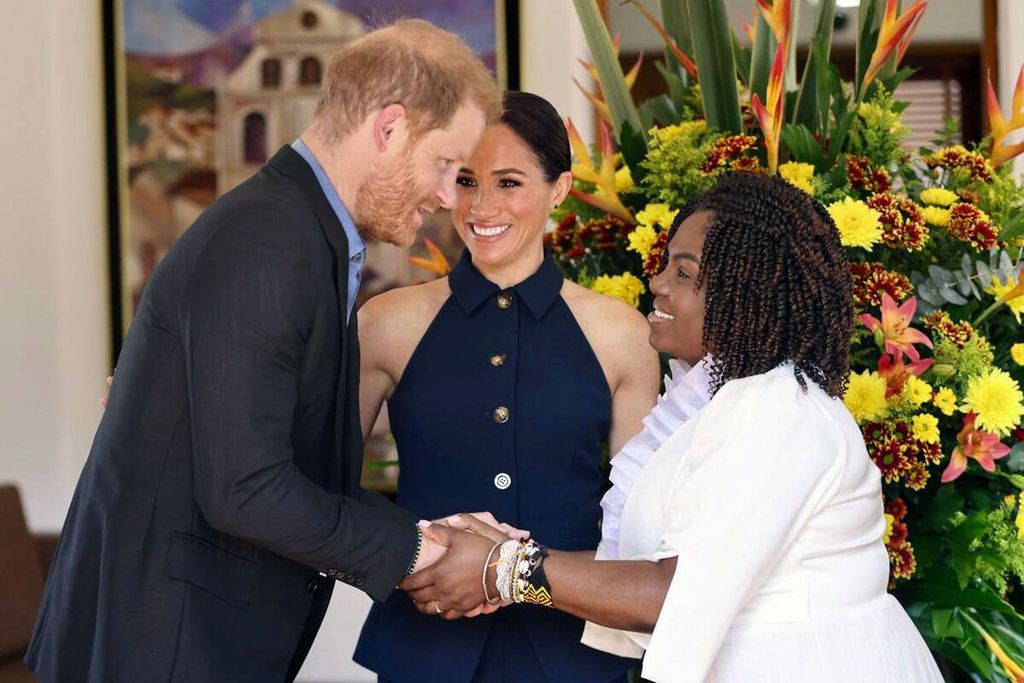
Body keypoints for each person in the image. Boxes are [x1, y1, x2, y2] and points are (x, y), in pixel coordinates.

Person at [26, 20, 500, 683]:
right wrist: (419, 549)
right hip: (164, 649)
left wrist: (431, 535)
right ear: (389, 130)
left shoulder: (303, 233)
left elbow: (276, 461)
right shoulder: (270, 243)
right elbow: (245, 489)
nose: (447, 197)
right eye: (445, 165)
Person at [404, 173, 944, 682]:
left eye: (684, 273)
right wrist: (500, 554)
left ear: (745, 294)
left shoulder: (775, 410)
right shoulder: (727, 398)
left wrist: (503, 568)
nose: (657, 283)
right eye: (667, 264)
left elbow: (673, 592)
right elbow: (654, 567)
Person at [353, 91, 661, 682]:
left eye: (509, 182)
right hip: (424, 642)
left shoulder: (622, 334)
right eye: (466, 181)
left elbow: (638, 528)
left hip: (574, 651)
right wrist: (416, 556)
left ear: (561, 189)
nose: (482, 205)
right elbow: (323, 489)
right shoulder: (385, 323)